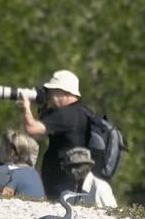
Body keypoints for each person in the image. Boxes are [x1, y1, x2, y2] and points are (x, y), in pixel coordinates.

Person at [19, 69, 94, 201]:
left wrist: (26, 106)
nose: (49, 96)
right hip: (77, 177)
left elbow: (31, 128)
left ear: (64, 93)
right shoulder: (84, 112)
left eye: (52, 91)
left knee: (60, 209)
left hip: (62, 180)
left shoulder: (66, 115)